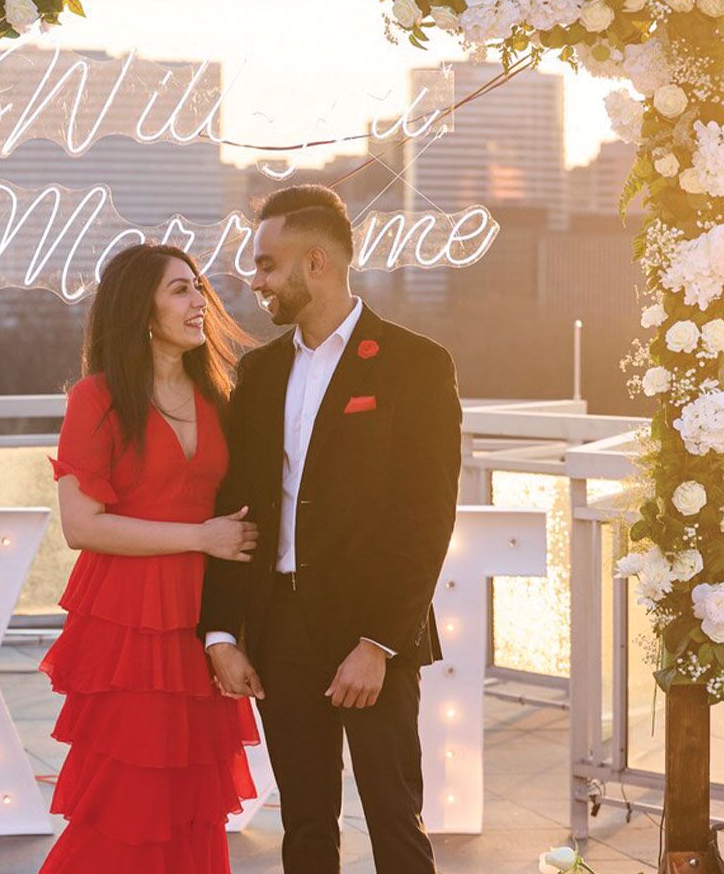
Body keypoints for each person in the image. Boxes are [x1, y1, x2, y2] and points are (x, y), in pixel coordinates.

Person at [200, 184, 463, 873]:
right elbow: (237, 510)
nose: (254, 281)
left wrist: (378, 641)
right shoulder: (255, 374)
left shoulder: (417, 365)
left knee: (394, 821)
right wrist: (222, 632)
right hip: (280, 632)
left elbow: (427, 517)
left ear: (315, 263)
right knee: (307, 827)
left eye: (265, 265)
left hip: (372, 636)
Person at [39, 242, 260, 873]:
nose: (200, 302)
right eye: (180, 290)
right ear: (142, 310)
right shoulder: (96, 399)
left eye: (199, 288)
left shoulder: (221, 395)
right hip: (128, 623)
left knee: (194, 800)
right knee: (127, 799)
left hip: (203, 617)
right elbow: (81, 526)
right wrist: (200, 537)